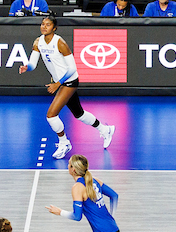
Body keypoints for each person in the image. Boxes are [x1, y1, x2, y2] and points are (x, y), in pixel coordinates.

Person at [19, 15, 115, 160]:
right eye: (43, 24)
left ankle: (64, 143)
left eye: (48, 25)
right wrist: (27, 67)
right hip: (61, 83)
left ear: (54, 28)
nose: (44, 27)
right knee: (79, 114)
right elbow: (33, 62)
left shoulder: (60, 43)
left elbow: (72, 68)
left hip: (69, 81)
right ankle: (105, 129)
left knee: (51, 115)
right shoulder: (38, 42)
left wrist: (58, 83)